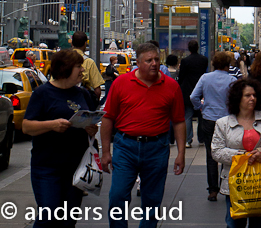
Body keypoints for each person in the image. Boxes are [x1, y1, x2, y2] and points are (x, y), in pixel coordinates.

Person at [101, 42, 186, 228]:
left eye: (156, 59)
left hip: (157, 147)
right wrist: (106, 151)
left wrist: (181, 153)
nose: (154, 63)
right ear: (138, 63)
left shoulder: (171, 86)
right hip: (125, 146)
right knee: (117, 196)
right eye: (149, 60)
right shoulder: (121, 83)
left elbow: (179, 121)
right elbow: (108, 119)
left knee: (152, 202)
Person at [22, 49, 99, 228]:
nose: (82, 70)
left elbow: (89, 119)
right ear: (65, 68)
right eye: (78, 66)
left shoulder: (83, 94)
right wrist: (52, 125)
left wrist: (90, 128)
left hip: (76, 168)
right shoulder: (43, 93)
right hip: (47, 167)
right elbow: (26, 126)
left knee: (68, 220)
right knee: (48, 216)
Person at [212, 78, 261, 228]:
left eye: (254, 95)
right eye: (247, 95)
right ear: (238, 98)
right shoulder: (223, 123)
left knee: (259, 223)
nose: (252, 98)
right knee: (234, 224)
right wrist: (242, 156)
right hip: (234, 183)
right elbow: (216, 151)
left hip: (259, 182)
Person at [191, 51, 236, 201]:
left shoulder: (205, 78)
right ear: (227, 65)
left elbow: (193, 96)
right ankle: (226, 185)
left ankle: (212, 189)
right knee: (228, 153)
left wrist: (201, 107)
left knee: (211, 155)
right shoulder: (232, 80)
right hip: (227, 120)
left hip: (209, 119)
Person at [178, 39, 208, 147]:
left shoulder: (185, 61)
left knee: (188, 116)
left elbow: (181, 76)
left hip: (187, 90)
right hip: (200, 90)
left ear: (188, 48)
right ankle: (201, 138)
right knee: (201, 115)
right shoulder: (204, 60)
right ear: (198, 48)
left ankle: (188, 140)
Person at [71, 31, 104, 108]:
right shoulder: (89, 62)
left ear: (72, 43)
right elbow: (98, 91)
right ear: (85, 44)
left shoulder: (61, 60)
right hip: (82, 105)